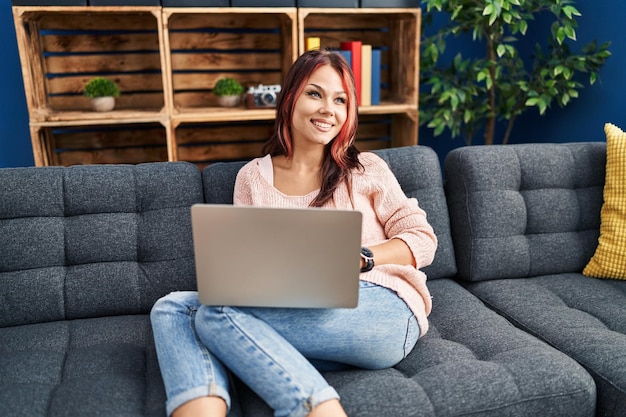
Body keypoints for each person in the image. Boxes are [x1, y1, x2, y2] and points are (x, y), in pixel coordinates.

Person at [150, 48, 438, 417]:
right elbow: (246, 271)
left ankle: (317, 410)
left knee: (213, 313)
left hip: (384, 310)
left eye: (340, 100)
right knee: (172, 307)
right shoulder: (252, 178)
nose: (327, 109)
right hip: (299, 316)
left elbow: (423, 238)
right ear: (290, 98)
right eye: (314, 94)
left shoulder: (365, 169)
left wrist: (362, 258)